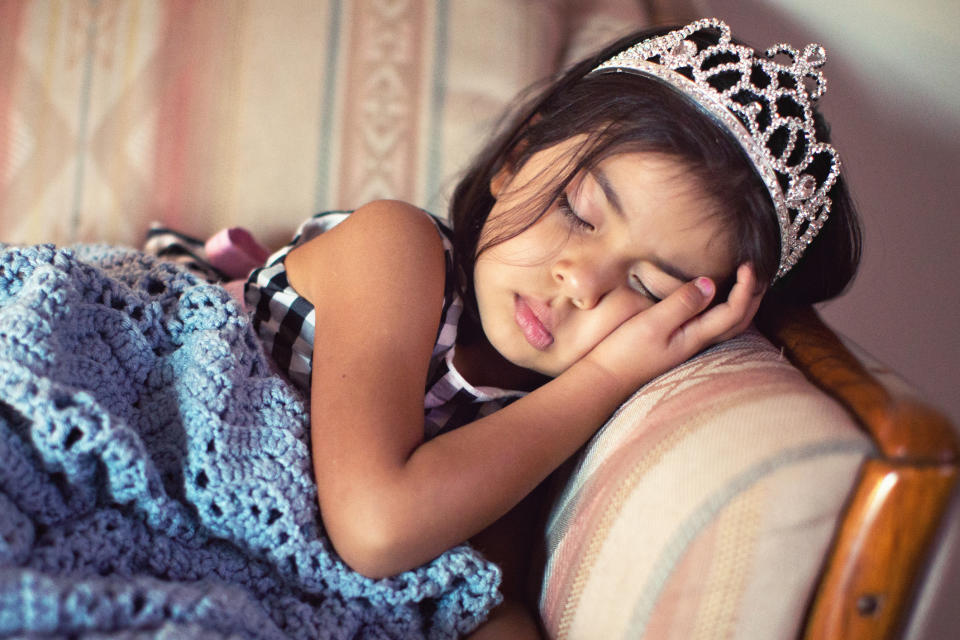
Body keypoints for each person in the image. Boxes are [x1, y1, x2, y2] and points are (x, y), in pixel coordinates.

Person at [234, 18, 860, 639]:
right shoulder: (396, 248)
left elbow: (473, 595)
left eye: (650, 288)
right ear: (516, 159)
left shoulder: (533, 418)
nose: (581, 283)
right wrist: (609, 372)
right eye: (578, 213)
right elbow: (377, 529)